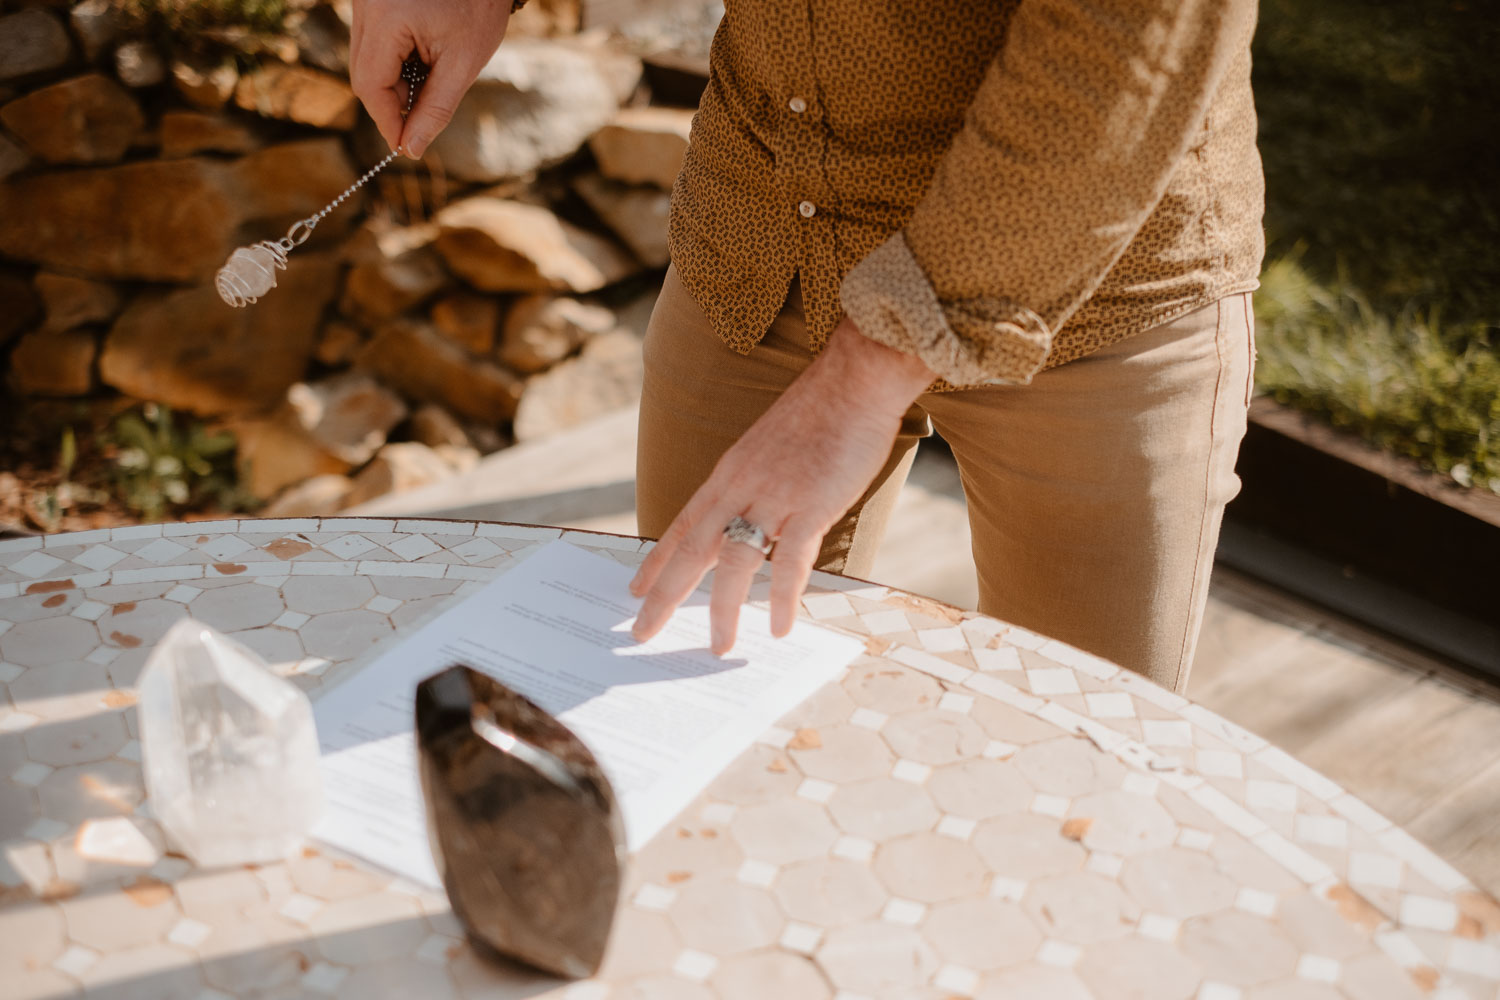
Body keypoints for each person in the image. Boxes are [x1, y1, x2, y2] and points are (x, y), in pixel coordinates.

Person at [351, 0, 1264, 693]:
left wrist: (865, 376)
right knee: (677, 696)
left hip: (1093, 300)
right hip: (763, 248)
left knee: (1079, 762)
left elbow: (1125, 57)